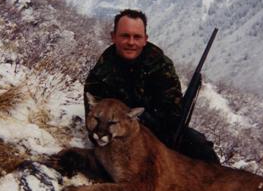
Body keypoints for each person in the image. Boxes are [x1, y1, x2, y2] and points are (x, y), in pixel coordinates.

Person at [84, 9, 219, 164]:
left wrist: (148, 121)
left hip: (160, 133)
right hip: (118, 135)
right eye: (125, 36)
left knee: (200, 146)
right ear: (113, 37)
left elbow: (173, 114)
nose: (131, 42)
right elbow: (92, 122)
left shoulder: (161, 65)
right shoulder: (100, 73)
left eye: (137, 37)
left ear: (145, 39)